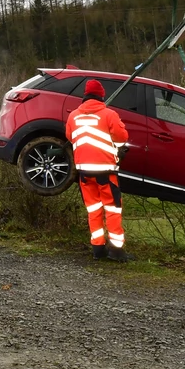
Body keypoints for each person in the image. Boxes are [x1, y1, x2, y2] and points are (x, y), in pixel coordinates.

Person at [67, 79, 132, 262]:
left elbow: (69, 136)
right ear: (101, 96)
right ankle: (117, 251)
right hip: (106, 171)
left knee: (93, 210)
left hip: (84, 173)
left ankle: (98, 249)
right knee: (112, 210)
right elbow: (122, 137)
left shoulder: (73, 116)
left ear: (85, 96)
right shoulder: (109, 114)